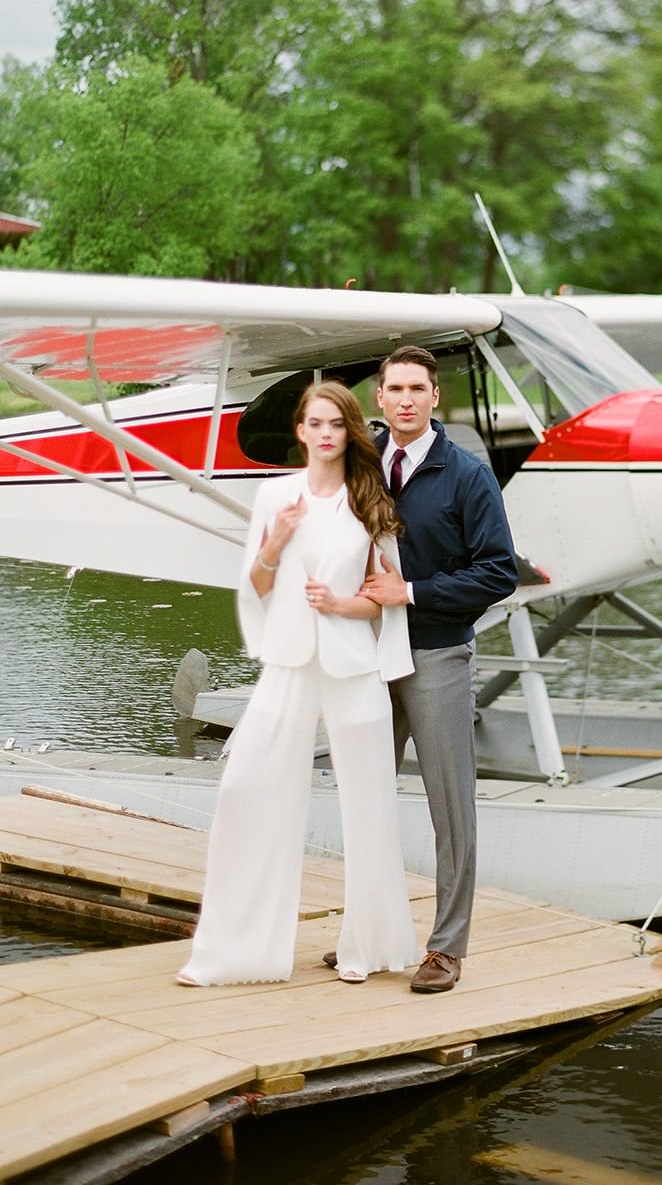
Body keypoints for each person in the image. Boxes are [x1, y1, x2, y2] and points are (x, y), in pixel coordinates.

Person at [177, 380, 418, 987]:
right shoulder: (273, 496)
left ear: (349, 430)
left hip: (351, 666)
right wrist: (276, 543)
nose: (326, 433)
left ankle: (368, 950)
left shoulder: (370, 500)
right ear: (300, 431)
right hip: (287, 662)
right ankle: (234, 955)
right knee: (244, 790)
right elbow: (254, 588)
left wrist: (341, 605)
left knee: (370, 809)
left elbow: (384, 603)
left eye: (337, 423)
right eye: (315, 423)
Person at [355, 344, 518, 994]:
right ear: (379, 399)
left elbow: (498, 571)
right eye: (394, 389)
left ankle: (447, 949)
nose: (405, 399)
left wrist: (413, 592)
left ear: (435, 398)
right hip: (366, 655)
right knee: (366, 799)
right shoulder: (361, 465)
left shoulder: (467, 476)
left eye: (417, 389)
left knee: (450, 807)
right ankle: (367, 936)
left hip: (435, 653)